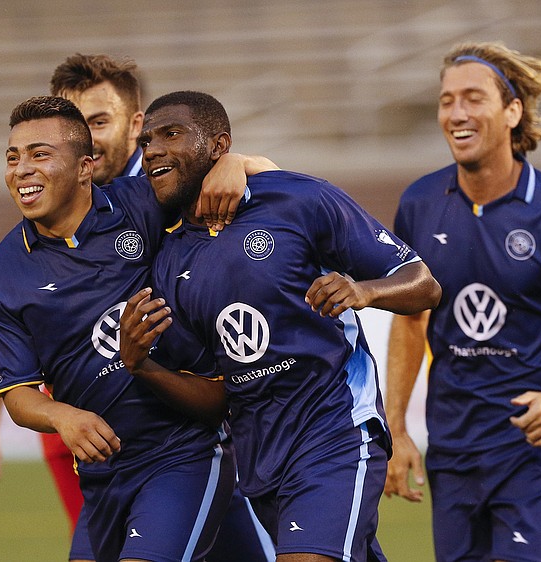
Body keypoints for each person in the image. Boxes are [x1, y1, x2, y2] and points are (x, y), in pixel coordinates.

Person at [0, 53, 276, 562]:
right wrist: (58, 417)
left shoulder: (146, 199)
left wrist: (234, 163)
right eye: (12, 157)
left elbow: (279, 189)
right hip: (102, 470)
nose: (22, 170)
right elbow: (15, 382)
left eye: (39, 154)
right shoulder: (0, 272)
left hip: (184, 448)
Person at [118, 90, 442, 562]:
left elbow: (423, 284)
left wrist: (366, 291)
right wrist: (142, 366)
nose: (153, 150)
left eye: (172, 134)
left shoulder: (296, 198)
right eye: (147, 141)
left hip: (336, 432)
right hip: (262, 460)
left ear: (218, 145)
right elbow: (218, 397)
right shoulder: (168, 260)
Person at [383, 41, 541, 562]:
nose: (456, 113)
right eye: (447, 100)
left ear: (512, 111)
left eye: (473, 98)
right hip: (452, 445)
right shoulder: (419, 205)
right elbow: (410, 323)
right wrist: (396, 427)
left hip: (533, 446)